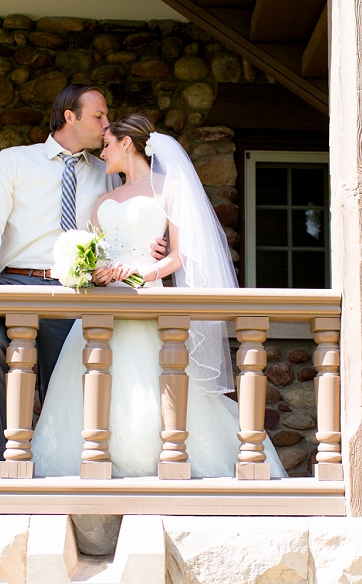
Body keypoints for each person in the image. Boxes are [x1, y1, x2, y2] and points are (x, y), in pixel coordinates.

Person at [31, 113, 287, 482]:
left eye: (106, 145)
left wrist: (142, 273)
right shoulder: (104, 200)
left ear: (126, 143)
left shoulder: (170, 189)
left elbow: (182, 254)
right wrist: (98, 272)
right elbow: (102, 254)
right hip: (105, 310)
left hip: (149, 301)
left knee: (158, 387)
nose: (102, 154)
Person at [0, 86, 165, 476]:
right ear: (70, 116)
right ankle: (4, 458)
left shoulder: (106, 172)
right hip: (13, 283)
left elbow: (128, 219)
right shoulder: (14, 161)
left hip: (76, 290)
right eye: (99, 116)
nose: (106, 126)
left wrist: (147, 249)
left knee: (67, 370)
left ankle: (56, 464)